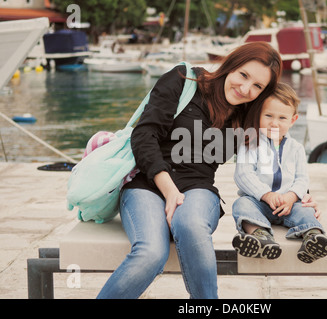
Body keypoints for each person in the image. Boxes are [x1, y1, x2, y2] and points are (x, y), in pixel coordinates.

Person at [96, 42, 284, 299]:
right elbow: (144, 135)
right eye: (243, 75)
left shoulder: (249, 114)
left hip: (199, 189)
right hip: (147, 185)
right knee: (151, 252)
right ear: (231, 65)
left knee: (191, 225)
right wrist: (170, 191)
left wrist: (298, 195)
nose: (245, 89)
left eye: (258, 86)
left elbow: (268, 162)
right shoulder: (184, 80)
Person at [231, 82, 327, 263]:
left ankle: (313, 237)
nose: (274, 123)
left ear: (293, 120)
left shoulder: (296, 148)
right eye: (268, 115)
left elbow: (302, 178)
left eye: (282, 118)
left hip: (288, 204)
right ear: (258, 115)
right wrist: (266, 195)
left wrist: (292, 196)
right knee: (241, 205)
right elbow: (243, 174)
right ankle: (260, 236)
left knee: (305, 211)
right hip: (258, 202)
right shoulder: (250, 143)